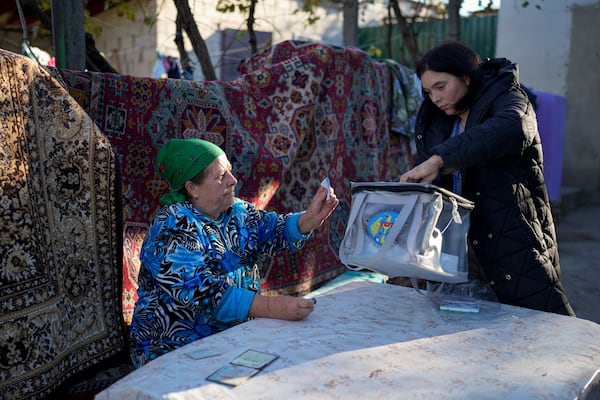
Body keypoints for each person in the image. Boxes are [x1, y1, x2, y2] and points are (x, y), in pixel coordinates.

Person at [400, 40, 574, 316]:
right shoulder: (437, 119)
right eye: (428, 91)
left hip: (510, 240)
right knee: (463, 340)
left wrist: (440, 159)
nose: (434, 98)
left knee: (541, 331)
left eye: (441, 87)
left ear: (466, 76)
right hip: (458, 251)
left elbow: (513, 127)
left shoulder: (509, 99)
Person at [129, 138, 339, 367]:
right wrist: (271, 307)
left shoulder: (236, 212)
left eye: (229, 171)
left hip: (228, 335)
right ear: (192, 188)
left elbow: (271, 230)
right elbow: (202, 293)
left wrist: (309, 219)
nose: (233, 180)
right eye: (221, 176)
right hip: (174, 346)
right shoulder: (172, 226)